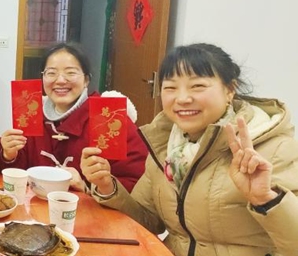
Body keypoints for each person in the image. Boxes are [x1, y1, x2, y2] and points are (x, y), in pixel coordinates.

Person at [81, 43, 298, 256]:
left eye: (197, 86)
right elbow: (148, 221)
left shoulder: (271, 148)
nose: (182, 99)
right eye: (170, 88)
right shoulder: (166, 146)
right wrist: (107, 186)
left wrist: (268, 200)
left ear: (230, 90)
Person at [0, 42, 147, 192]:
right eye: (51, 73)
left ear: (86, 79)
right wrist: (8, 154)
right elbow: (12, 171)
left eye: (71, 73)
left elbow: (136, 183)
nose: (60, 80)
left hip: (92, 213)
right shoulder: (30, 114)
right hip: (36, 210)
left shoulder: (109, 118)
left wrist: (88, 187)